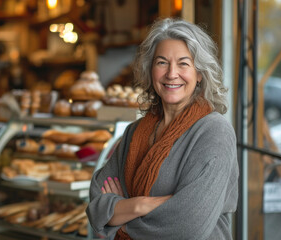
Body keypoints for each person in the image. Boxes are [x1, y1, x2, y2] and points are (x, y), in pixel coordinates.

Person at [86, 18, 239, 240]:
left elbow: (188, 226)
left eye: (184, 63)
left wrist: (122, 218)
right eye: (162, 62)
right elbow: (96, 203)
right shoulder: (134, 132)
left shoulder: (214, 132)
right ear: (150, 70)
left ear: (199, 74)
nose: (171, 73)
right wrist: (143, 206)